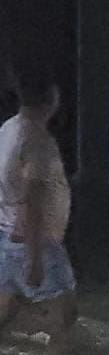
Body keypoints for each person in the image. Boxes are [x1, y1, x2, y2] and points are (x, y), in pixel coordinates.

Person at [0, 69, 76, 333]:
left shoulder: (8, 129)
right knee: (63, 317)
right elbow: (31, 200)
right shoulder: (37, 142)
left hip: (7, 234)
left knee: (5, 307)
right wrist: (35, 259)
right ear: (52, 99)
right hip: (34, 240)